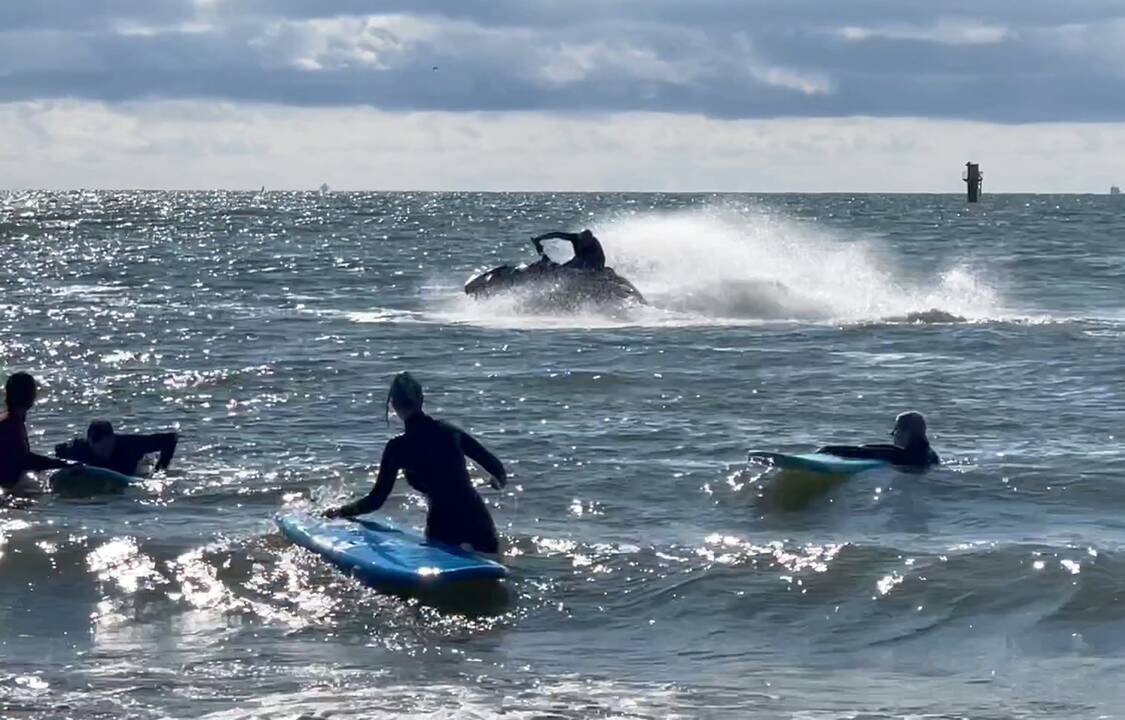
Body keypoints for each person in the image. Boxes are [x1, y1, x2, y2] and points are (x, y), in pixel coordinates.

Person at [324, 372, 507, 553]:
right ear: (421, 399)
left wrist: (341, 511)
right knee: (493, 577)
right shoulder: (451, 433)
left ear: (394, 405)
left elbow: (376, 500)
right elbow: (497, 468)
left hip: (443, 525)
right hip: (478, 520)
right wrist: (497, 481)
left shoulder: (398, 448)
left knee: (445, 580)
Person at [0, 372, 75, 492]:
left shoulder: (10, 421)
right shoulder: (11, 426)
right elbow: (25, 461)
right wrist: (63, 464)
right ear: (30, 397)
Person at [819, 411, 940, 468]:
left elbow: (864, 452)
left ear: (906, 433)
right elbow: (887, 450)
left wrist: (828, 449)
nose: (893, 434)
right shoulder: (930, 454)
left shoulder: (906, 456)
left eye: (895, 429)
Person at [55, 421, 178, 476]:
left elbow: (170, 439)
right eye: (101, 448)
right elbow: (58, 451)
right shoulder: (80, 448)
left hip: (128, 471)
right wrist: (69, 466)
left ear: (113, 440)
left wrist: (160, 470)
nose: (105, 452)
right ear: (90, 443)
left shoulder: (129, 445)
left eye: (108, 446)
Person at [531, 229, 606, 271]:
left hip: (590, 262)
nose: (586, 243)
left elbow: (601, 258)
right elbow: (557, 234)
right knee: (560, 269)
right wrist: (540, 238)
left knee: (571, 268)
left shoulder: (594, 244)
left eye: (587, 241)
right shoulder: (575, 238)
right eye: (584, 241)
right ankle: (546, 263)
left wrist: (599, 269)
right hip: (579, 259)